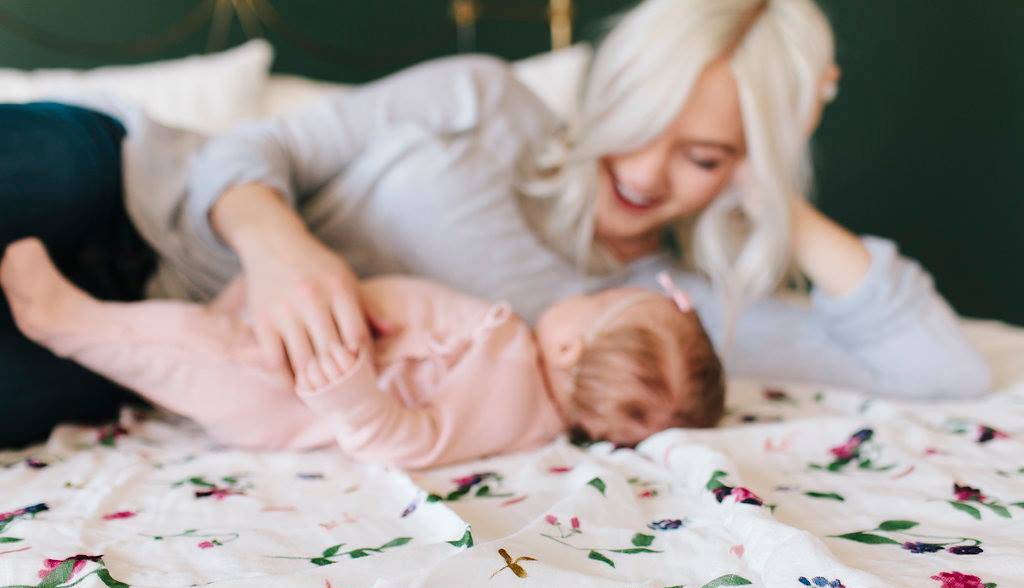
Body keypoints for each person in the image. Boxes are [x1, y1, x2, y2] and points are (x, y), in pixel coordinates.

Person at [0, 0, 990, 448]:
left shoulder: (661, 318)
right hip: (126, 182)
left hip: (140, 339)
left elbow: (940, 370)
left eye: (704, 155)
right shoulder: (484, 102)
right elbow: (249, 150)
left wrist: (779, 183)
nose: (646, 173)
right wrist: (281, 244)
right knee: (39, 166)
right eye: (640, 126)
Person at [1, 237, 724, 466]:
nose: (583, 292)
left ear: (570, 342)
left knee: (197, 348)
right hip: (302, 357)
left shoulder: (512, 364)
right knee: (203, 339)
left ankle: (63, 319)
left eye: (598, 299)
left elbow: (408, 440)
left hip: (285, 390)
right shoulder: (529, 415)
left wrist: (347, 391)